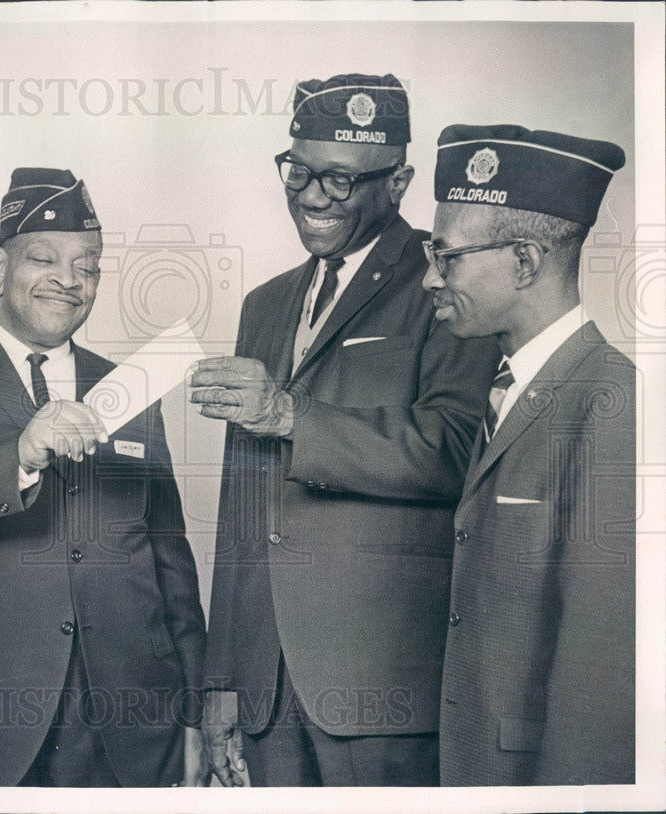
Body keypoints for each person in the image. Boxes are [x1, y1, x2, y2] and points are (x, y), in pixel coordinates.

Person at [189, 74, 500, 787]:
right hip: (266, 687)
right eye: (297, 170)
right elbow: (244, 505)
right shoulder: (265, 304)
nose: (310, 195)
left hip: (382, 684)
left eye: (339, 178)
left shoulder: (446, 278)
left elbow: (455, 452)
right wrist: (223, 678)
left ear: (399, 182)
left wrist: (293, 416)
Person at [0, 167, 206, 787]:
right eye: (43, 259)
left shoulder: (132, 389)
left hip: (133, 725)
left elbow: (169, 559)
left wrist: (195, 712)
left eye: (88, 266)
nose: (68, 280)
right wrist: (18, 456)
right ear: (0, 269)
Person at [423, 124, 634, 785]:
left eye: (446, 257)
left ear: (523, 262)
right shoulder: (505, 385)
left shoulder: (612, 401)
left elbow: (600, 668)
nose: (429, 280)